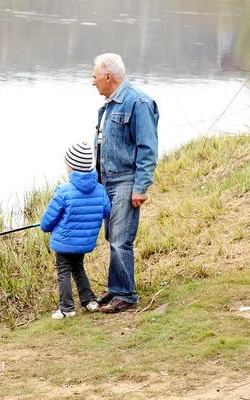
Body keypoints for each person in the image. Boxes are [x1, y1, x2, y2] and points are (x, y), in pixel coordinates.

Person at [91, 53, 159, 313]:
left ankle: (126, 295)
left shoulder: (138, 102)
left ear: (108, 76)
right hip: (107, 181)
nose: (93, 81)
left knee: (121, 238)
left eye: (95, 76)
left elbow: (148, 149)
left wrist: (140, 188)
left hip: (125, 180)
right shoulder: (108, 104)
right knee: (112, 236)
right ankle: (116, 285)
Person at [40, 142, 111, 320]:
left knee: (63, 271)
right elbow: (106, 211)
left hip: (64, 242)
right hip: (84, 242)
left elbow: (47, 221)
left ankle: (66, 308)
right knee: (78, 268)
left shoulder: (63, 191)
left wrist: (47, 227)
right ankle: (89, 302)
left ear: (71, 166)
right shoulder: (100, 190)